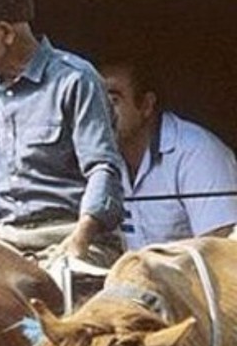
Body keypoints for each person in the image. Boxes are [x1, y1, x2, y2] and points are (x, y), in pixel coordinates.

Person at [0, 0, 125, 269]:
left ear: (5, 32)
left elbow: (102, 169)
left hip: (68, 238)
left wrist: (81, 238)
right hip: (4, 241)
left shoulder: (76, 80)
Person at [100, 56, 237, 249]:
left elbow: (219, 250)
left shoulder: (197, 153)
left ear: (147, 105)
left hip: (194, 277)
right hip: (128, 276)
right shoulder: (98, 158)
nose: (101, 111)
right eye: (95, 100)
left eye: (114, 100)